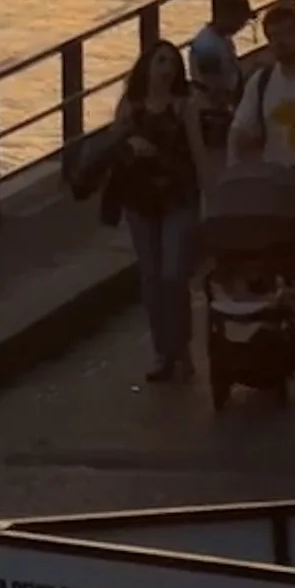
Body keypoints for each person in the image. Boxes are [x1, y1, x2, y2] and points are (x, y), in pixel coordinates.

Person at [102, 40, 205, 384]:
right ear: (146, 66)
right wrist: (130, 145)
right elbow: (112, 148)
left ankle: (182, 345)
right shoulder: (131, 107)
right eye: (160, 61)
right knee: (151, 278)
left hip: (178, 198)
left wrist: (209, 198)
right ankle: (164, 352)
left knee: (173, 273)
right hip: (140, 201)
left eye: (172, 63)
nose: (167, 69)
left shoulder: (184, 107)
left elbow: (198, 154)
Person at [228, 2, 295, 188]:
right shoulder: (261, 82)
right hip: (275, 189)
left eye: (286, 34)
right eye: (274, 36)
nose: (280, 42)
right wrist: (234, 166)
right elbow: (239, 129)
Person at [186, 0, 254, 153]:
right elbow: (213, 88)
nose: (242, 25)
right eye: (240, 19)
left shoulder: (221, 40)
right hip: (214, 116)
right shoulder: (208, 46)